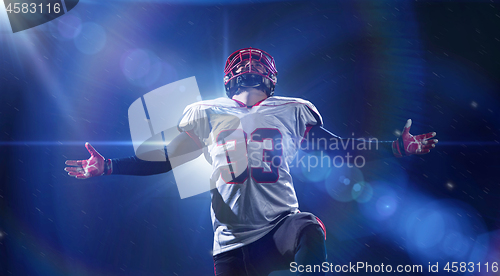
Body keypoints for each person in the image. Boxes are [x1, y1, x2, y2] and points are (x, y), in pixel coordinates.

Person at [65, 48, 438, 275]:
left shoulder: (293, 110)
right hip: (230, 242)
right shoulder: (205, 112)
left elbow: (338, 147)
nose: (249, 64)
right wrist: (111, 165)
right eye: (244, 62)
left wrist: (394, 146)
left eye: (255, 62)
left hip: (279, 227)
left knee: (310, 229)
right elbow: (168, 158)